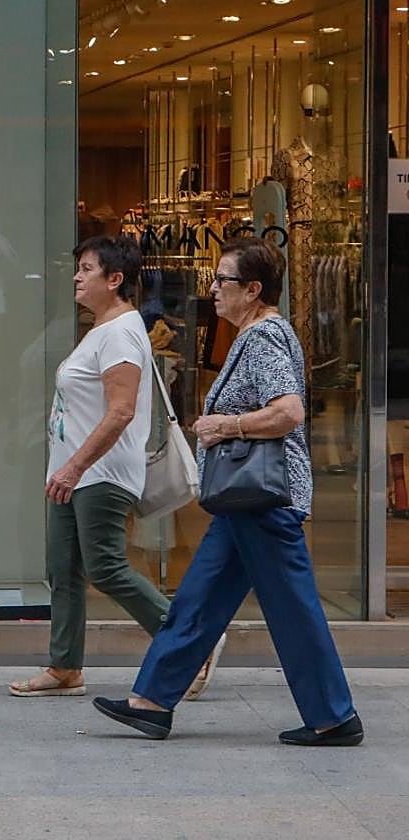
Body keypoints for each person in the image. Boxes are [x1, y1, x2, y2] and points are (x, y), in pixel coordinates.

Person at [93, 237, 363, 746]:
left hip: (265, 501)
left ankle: (333, 715)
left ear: (253, 290)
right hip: (248, 502)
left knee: (292, 608)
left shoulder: (263, 338)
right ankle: (151, 702)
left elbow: (288, 412)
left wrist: (226, 425)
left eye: (224, 281)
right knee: (199, 599)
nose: (213, 289)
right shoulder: (258, 333)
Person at [11, 236, 225, 699]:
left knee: (105, 566)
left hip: (101, 472)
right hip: (74, 470)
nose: (77, 276)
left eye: (87, 269)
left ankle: (191, 643)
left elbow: (121, 410)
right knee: (64, 567)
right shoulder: (102, 328)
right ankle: (65, 665)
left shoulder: (122, 332)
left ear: (115, 279)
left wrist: (75, 467)